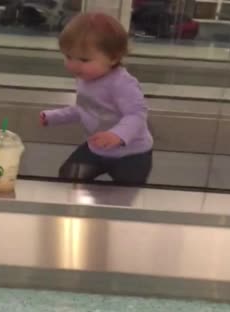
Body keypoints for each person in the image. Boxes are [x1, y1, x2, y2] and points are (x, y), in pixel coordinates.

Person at [40, 12, 153, 185]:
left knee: (126, 192)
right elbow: (84, 109)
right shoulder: (86, 78)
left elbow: (136, 114)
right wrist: (53, 117)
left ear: (113, 58)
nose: (73, 65)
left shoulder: (122, 83)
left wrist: (117, 135)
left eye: (84, 60)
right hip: (96, 147)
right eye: (69, 57)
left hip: (131, 154)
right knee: (69, 176)